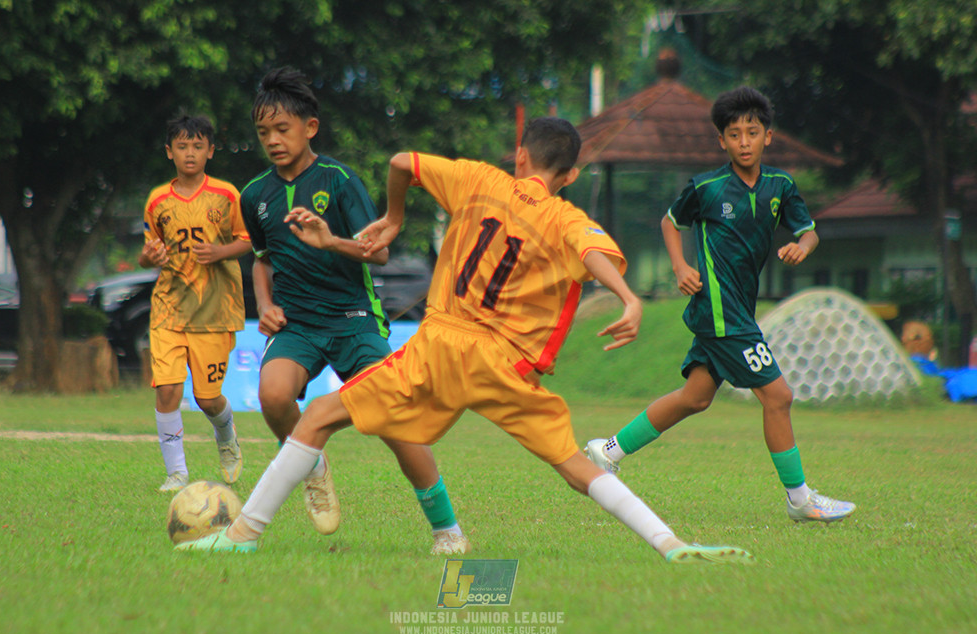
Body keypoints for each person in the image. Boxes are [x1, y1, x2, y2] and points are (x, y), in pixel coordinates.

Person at [178, 116, 754, 564]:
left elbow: (401, 160)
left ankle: (243, 535)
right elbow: (593, 252)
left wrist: (396, 217)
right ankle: (670, 543)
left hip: (440, 347)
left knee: (317, 417)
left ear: (520, 155)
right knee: (575, 464)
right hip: (502, 364)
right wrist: (628, 297)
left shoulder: (481, 180)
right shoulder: (563, 216)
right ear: (571, 176)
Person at [584, 86, 856, 524]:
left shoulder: (780, 186)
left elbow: (809, 231)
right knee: (779, 396)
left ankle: (606, 450)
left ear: (768, 136)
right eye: (734, 134)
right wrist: (679, 266)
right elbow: (671, 223)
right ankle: (800, 499)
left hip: (738, 311)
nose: (744, 141)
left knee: (695, 397)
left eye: (752, 132)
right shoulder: (707, 187)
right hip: (719, 310)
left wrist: (802, 246)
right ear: (722, 141)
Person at [237, 66, 468, 554]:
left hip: (353, 319)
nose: (273, 141)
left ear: (309, 128)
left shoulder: (340, 181)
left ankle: (447, 530)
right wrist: (264, 303)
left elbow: (379, 252)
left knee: (393, 419)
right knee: (274, 397)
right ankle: (311, 464)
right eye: (264, 133)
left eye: (283, 129)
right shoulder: (254, 195)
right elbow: (261, 259)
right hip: (298, 323)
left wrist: (331, 239)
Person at [140, 114, 251, 492]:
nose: (190, 153)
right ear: (169, 152)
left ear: (211, 151)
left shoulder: (227, 195)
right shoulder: (157, 201)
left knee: (207, 398)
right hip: (169, 309)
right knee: (168, 389)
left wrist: (220, 251)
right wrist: (149, 258)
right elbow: (147, 252)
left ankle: (226, 433)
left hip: (215, 311)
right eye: (183, 146)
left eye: (198, 146)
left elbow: (249, 239)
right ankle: (177, 473)